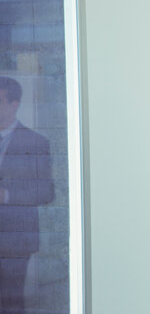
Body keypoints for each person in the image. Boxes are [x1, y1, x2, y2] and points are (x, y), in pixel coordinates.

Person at [0, 76, 54, 313]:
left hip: (15, 242)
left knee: (11, 304)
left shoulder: (36, 142)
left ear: (14, 104)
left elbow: (46, 191)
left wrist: (7, 196)